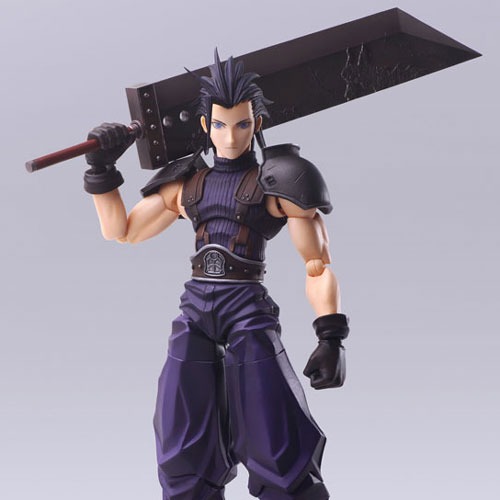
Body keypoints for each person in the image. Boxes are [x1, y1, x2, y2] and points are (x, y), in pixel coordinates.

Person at [83, 50, 349, 500]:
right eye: (221, 125)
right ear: (206, 126)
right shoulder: (187, 184)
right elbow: (122, 231)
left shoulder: (278, 182)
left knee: (278, 444)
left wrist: (331, 336)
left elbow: (317, 264)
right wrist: (102, 171)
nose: (230, 136)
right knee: (182, 447)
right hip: (195, 311)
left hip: (246, 310)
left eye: (241, 125)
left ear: (256, 124)